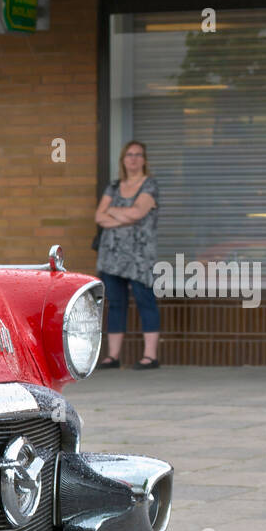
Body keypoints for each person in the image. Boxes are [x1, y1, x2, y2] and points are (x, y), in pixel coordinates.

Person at [94, 141, 160, 369]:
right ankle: (113, 356)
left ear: (144, 159)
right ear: (123, 159)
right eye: (129, 155)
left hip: (139, 256)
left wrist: (112, 211)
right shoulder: (113, 187)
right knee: (115, 303)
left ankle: (150, 356)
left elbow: (138, 212)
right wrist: (126, 216)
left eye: (138, 155)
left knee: (145, 300)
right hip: (112, 255)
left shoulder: (150, 185)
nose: (133, 159)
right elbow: (98, 217)